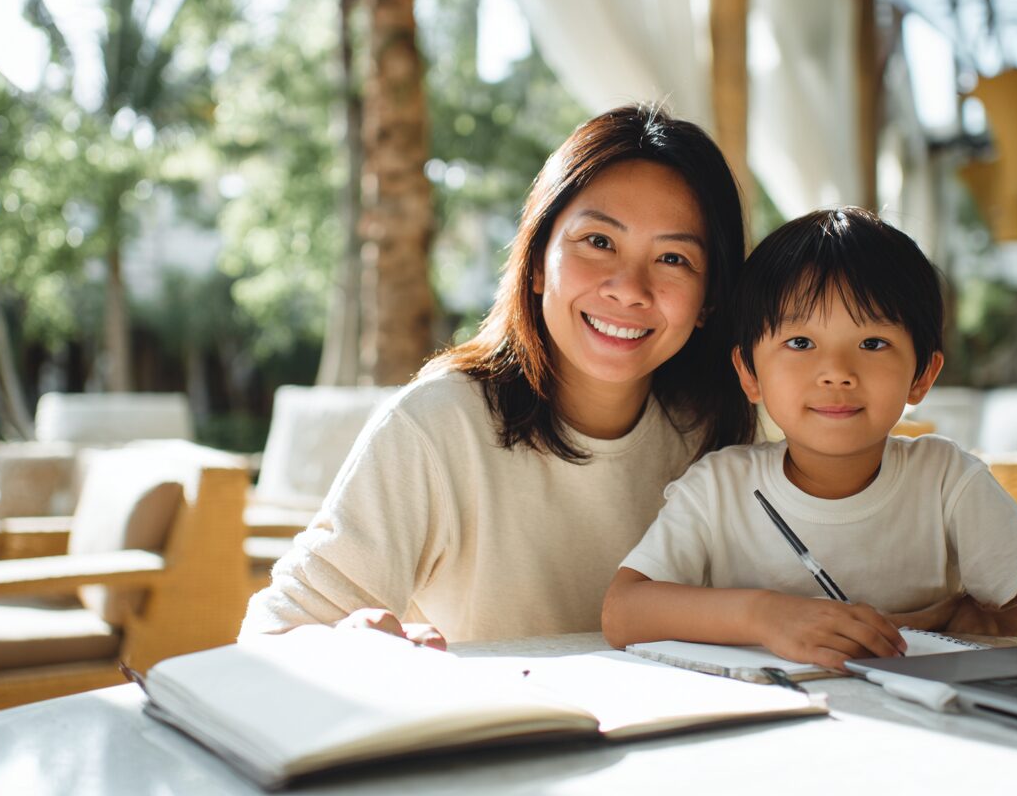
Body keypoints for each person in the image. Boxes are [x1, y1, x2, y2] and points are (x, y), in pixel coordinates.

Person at [241, 104, 756, 648]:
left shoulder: (717, 437)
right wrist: (353, 650)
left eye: (673, 258)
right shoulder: (438, 425)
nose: (629, 288)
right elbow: (271, 636)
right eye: (599, 242)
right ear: (536, 262)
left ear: (709, 301)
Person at [601, 208, 1017, 667]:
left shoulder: (947, 481)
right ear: (749, 372)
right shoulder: (718, 488)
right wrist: (765, 616)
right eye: (801, 343)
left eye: (873, 344)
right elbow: (623, 611)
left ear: (922, 375)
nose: (836, 372)